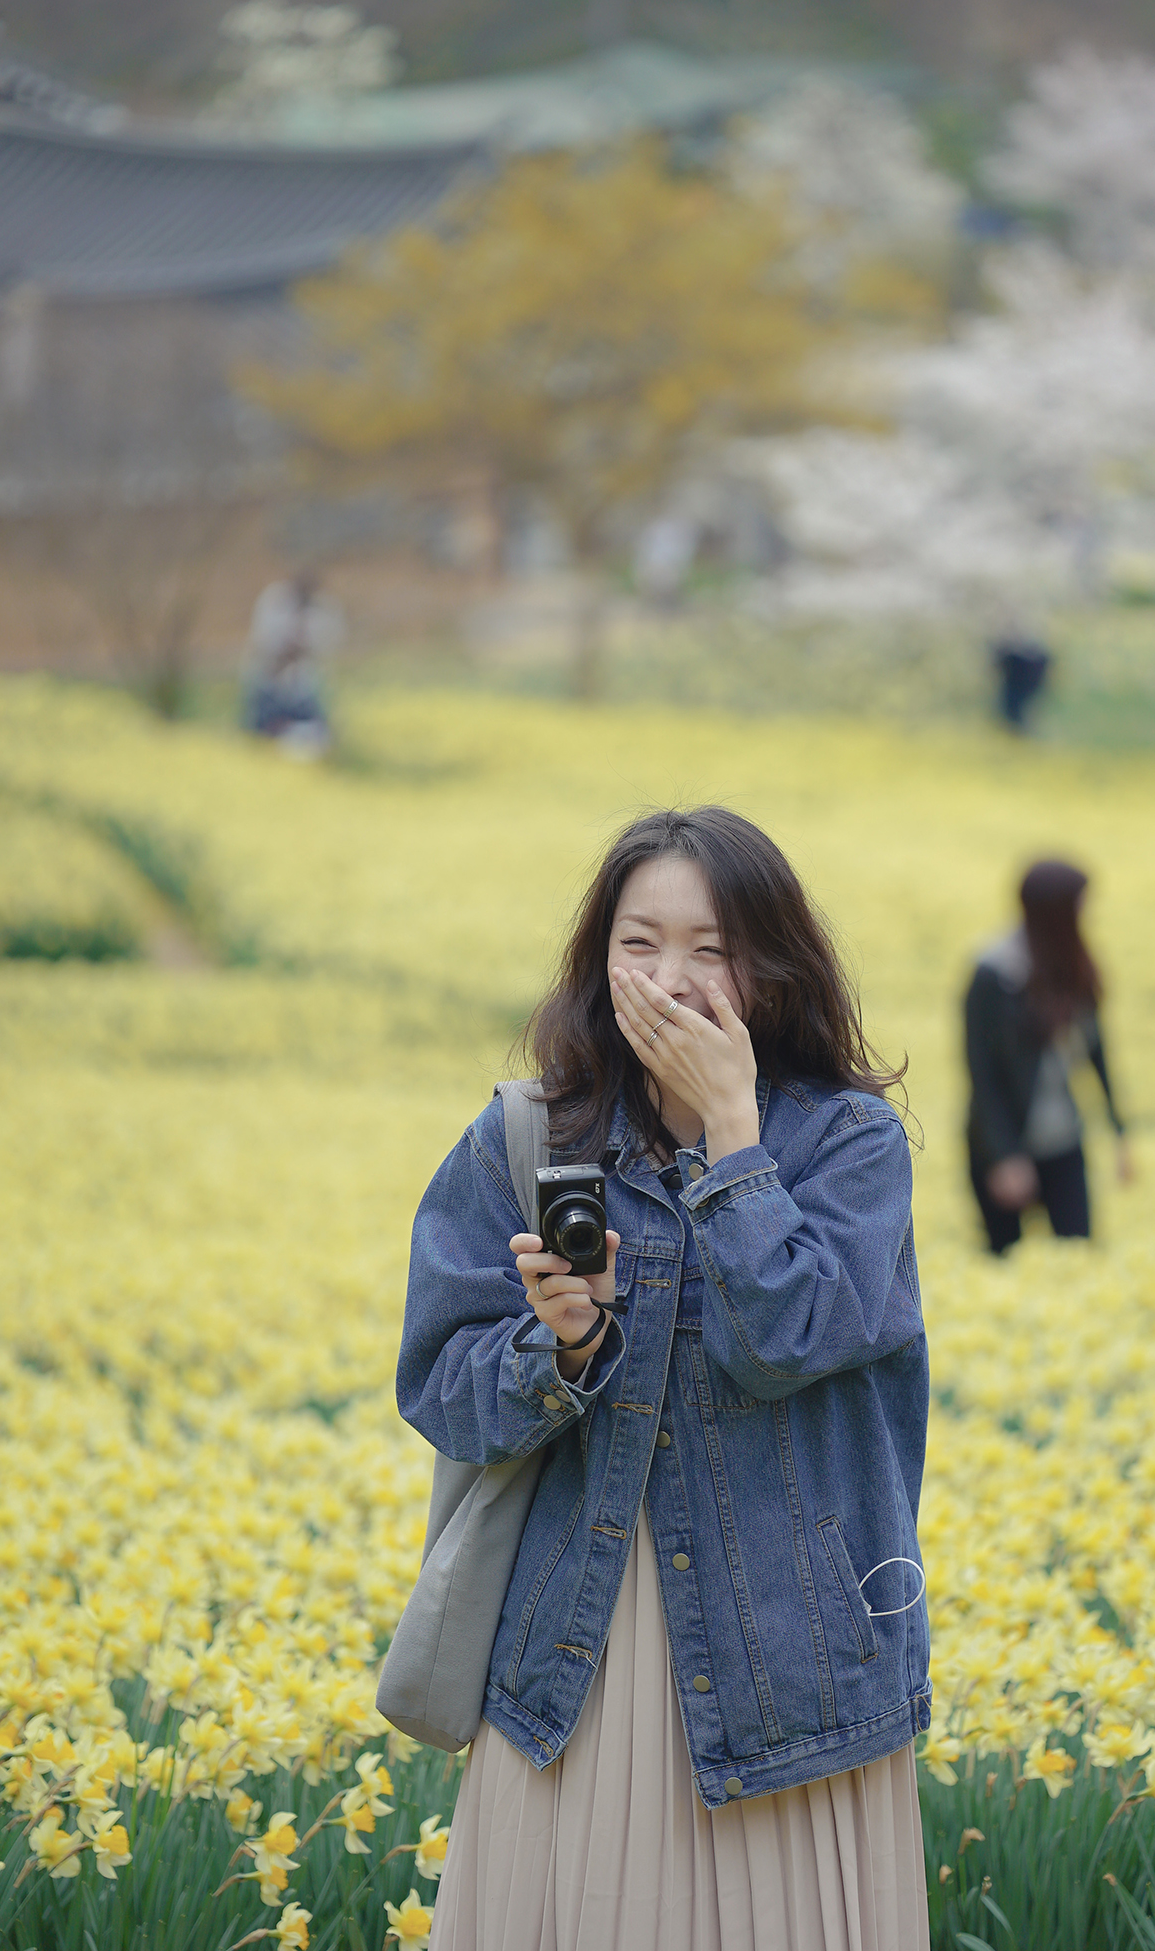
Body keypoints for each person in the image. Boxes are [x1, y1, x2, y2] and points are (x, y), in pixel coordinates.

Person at [398, 807, 931, 1951]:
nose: (672, 980)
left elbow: (788, 1338)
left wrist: (733, 1135)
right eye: (640, 944)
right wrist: (565, 1346)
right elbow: (441, 1385)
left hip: (793, 1666)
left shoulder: (847, 1144)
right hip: (578, 1654)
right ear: (600, 959)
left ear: (772, 964)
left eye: (710, 946)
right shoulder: (527, 1138)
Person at [964, 858, 1130, 1256]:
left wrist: (1120, 1132)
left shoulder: (1073, 965)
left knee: (1080, 1255)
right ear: (1052, 910)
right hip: (1003, 1142)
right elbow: (981, 1074)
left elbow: (1097, 1052)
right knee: (1002, 1257)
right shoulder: (993, 974)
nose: (1085, 915)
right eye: (1078, 905)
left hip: (1063, 1140)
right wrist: (1005, 1157)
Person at [241, 570, 343, 753]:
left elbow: (326, 644)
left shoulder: (321, 611)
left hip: (301, 686)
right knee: (260, 735)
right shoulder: (274, 602)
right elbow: (263, 641)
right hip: (268, 683)